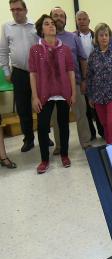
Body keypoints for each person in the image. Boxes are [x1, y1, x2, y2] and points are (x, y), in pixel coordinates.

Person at [29, 14, 75, 174]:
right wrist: (34, 96)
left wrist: (73, 92)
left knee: (63, 125)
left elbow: (70, 71)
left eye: (53, 24)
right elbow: (33, 74)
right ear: (41, 30)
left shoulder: (66, 49)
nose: (51, 26)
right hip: (43, 93)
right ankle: (44, 159)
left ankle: (64, 154)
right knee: (42, 127)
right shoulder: (35, 50)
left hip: (63, 92)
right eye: (47, 24)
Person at [50, 6, 91, 153]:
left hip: (75, 83)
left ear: (65, 20)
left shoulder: (73, 37)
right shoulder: (44, 38)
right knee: (57, 118)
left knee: (81, 114)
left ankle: (86, 143)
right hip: (54, 86)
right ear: (50, 18)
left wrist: (84, 79)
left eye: (62, 15)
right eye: (56, 15)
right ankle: (60, 145)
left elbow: (82, 59)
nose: (59, 18)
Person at [0, 0, 38, 152]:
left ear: (25, 10)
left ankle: (45, 135)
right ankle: (28, 139)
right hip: (19, 72)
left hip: (37, 73)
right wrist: (6, 72)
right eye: (12, 9)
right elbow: (3, 51)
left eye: (18, 9)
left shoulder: (35, 26)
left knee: (41, 106)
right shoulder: (6, 27)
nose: (16, 12)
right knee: (23, 109)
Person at [87, 23, 112, 144]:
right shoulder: (93, 56)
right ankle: (111, 145)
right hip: (98, 96)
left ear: (109, 37)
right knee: (104, 124)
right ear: (97, 38)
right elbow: (90, 77)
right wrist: (90, 96)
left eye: (106, 35)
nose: (104, 37)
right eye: (101, 35)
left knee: (111, 122)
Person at [75, 10, 104, 141]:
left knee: (97, 106)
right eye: (79, 19)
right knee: (85, 109)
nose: (82, 21)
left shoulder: (96, 36)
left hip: (96, 78)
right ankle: (91, 133)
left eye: (84, 19)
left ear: (89, 21)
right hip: (80, 78)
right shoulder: (73, 37)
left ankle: (102, 131)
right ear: (76, 21)